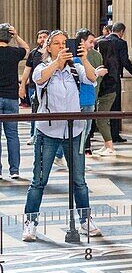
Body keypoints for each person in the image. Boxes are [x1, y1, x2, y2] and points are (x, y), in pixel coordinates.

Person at [22, 30, 100, 241]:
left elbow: (92, 78)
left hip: (73, 132)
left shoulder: (75, 69)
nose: (61, 46)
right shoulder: (42, 67)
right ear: (48, 47)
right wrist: (56, 63)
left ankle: (85, 220)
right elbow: (39, 79)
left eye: (64, 43)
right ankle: (30, 222)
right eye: (56, 43)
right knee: (39, 180)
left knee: (79, 180)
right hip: (47, 132)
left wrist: (83, 59)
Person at [98, 23, 132, 144]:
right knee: (115, 106)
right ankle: (114, 135)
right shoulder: (121, 43)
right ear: (121, 31)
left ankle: (103, 132)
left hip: (101, 75)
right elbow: (124, 61)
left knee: (102, 104)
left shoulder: (101, 41)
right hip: (114, 77)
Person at [69, 29, 107, 156]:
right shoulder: (76, 60)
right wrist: (96, 73)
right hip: (83, 100)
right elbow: (89, 77)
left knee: (84, 134)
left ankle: (77, 160)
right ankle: (74, 160)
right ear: (81, 42)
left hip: (89, 98)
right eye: (90, 42)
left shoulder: (93, 56)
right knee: (80, 134)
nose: (92, 45)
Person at [0, 24, 30, 179]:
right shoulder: (14, 52)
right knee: (12, 135)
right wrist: (17, 36)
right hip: (11, 97)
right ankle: (14, 170)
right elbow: (27, 50)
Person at [19, 30, 48, 144]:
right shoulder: (33, 53)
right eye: (40, 37)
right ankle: (33, 135)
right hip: (34, 87)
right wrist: (22, 85)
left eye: (44, 37)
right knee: (34, 111)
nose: (42, 39)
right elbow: (27, 70)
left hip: (47, 87)